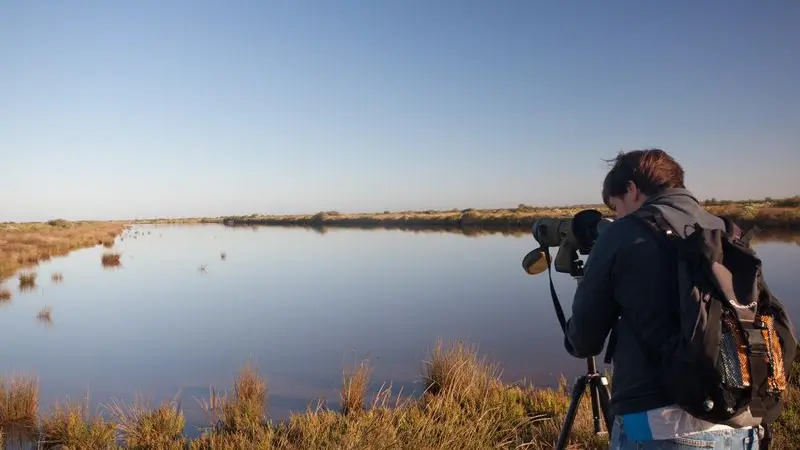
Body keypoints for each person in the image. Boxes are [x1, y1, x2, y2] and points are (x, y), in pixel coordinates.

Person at [564, 149, 760, 449]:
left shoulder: (622, 236)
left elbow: (584, 341)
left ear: (631, 189)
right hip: (740, 422)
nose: (616, 216)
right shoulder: (725, 231)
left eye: (615, 206)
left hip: (659, 428)